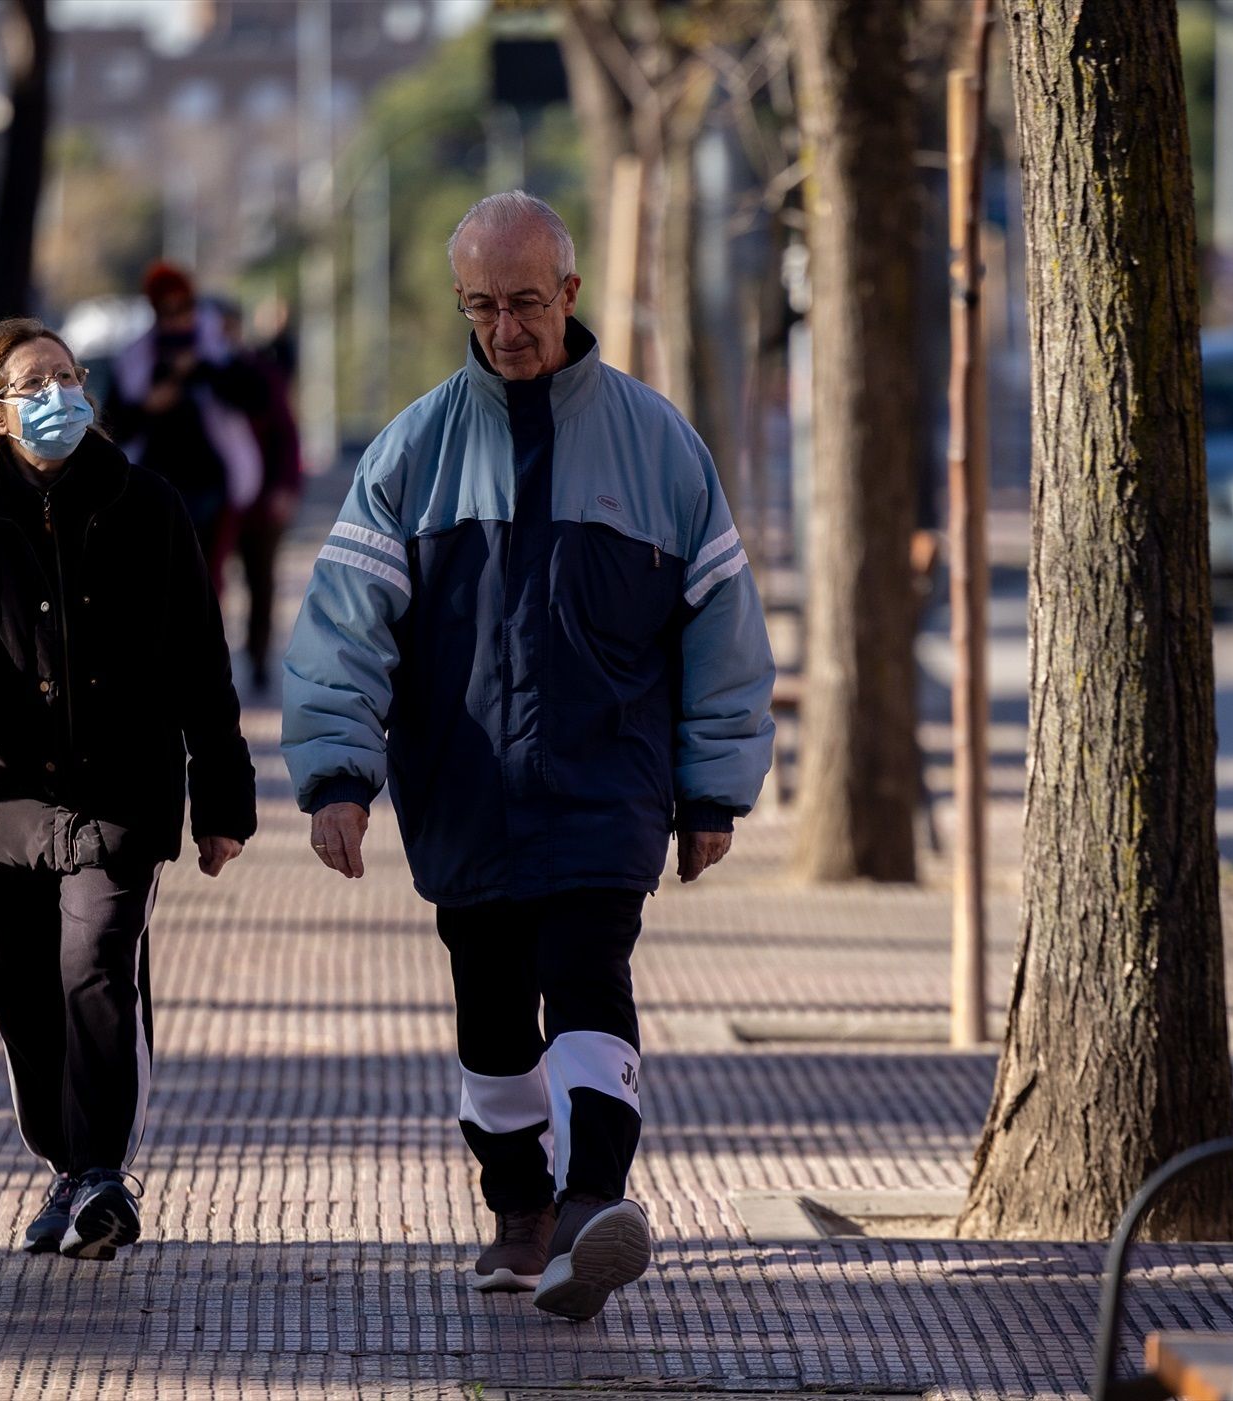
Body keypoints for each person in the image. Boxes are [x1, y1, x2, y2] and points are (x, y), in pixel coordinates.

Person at [281, 193, 775, 1321]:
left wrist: (712, 790)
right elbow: (345, 628)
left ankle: (595, 1204)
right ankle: (522, 1210)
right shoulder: (413, 451)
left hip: (608, 787)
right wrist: (338, 778)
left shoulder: (661, 446)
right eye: (482, 306)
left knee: (591, 977)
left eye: (524, 303)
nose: (505, 328)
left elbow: (724, 632)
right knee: (495, 1020)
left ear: (571, 294)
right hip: (466, 790)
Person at [0, 317, 255, 1261]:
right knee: (26, 993)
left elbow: (199, 663)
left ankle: (100, 1171)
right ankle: (63, 1163)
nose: (56, 393)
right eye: (32, 382)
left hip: (120, 791)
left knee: (95, 961)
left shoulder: (150, 506)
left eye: (68, 375)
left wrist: (223, 798)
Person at [108, 263, 266, 589]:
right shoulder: (137, 358)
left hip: (211, 482)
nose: (175, 319)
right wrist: (149, 405)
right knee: (160, 578)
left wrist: (203, 370)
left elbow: (256, 399)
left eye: (182, 308)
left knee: (205, 579)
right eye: (165, 311)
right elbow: (114, 425)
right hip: (156, 479)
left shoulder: (218, 349)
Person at [206, 294, 304, 693]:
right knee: (209, 584)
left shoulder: (260, 372)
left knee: (261, 581)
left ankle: (260, 660)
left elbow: (285, 432)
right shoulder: (198, 373)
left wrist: (285, 486)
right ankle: (211, 663)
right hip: (214, 500)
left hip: (261, 500)